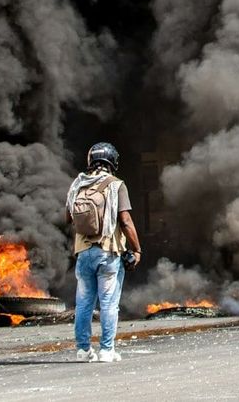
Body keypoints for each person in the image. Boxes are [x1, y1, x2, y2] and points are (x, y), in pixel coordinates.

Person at [66, 141, 142, 363]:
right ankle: (107, 350)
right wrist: (137, 249)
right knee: (109, 303)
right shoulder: (116, 185)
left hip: (83, 254)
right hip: (108, 252)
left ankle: (82, 350)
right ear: (112, 162)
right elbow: (126, 221)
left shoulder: (78, 185)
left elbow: (67, 217)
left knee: (84, 304)